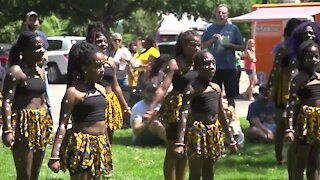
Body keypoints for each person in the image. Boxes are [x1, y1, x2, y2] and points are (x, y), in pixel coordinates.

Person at [48, 41, 112, 179]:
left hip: (99, 144)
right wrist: (55, 155)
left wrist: (107, 147)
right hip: (81, 145)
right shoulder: (74, 92)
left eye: (103, 65)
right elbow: (63, 124)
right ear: (84, 68)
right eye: (97, 66)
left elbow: (103, 122)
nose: (102, 70)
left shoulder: (101, 90)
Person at [148, 30, 200, 180]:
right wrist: (152, 107)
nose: (196, 48)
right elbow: (163, 87)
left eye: (198, 45)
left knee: (185, 150)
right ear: (183, 45)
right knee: (173, 149)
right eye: (192, 45)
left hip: (194, 107)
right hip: (176, 107)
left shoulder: (200, 63)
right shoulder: (175, 63)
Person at [2, 31, 53, 180]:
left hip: (40, 124)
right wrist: (8, 130)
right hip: (23, 124)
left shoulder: (40, 72)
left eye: (43, 47)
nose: (42, 50)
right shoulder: (15, 72)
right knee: (25, 174)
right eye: (37, 47)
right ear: (24, 51)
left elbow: (43, 101)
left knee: (35, 174)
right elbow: (7, 102)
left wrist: (47, 123)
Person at [186, 50, 238, 180]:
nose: (211, 67)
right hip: (197, 133)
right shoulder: (192, 89)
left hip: (213, 132)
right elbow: (184, 113)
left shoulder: (216, 89)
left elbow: (221, 115)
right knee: (196, 172)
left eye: (213, 63)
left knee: (210, 170)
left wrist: (230, 139)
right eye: (206, 64)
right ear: (196, 67)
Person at [86, 22, 131, 143]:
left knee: (107, 141)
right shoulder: (86, 61)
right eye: (99, 41)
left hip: (110, 101)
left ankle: (107, 161)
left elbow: (115, 85)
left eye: (105, 41)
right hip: (94, 101)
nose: (103, 44)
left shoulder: (110, 61)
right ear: (92, 41)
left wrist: (125, 107)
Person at [267, 18, 302, 165]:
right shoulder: (283, 48)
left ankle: (296, 157)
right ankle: (279, 158)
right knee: (282, 123)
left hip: (300, 87)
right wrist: (269, 88)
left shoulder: (305, 48)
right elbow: (275, 71)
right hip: (283, 89)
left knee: (298, 124)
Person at [285, 40, 320, 180]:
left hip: (318, 126)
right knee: (301, 159)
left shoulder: (319, 78)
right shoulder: (298, 80)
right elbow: (291, 105)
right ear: (302, 59)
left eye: (316, 56)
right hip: (305, 125)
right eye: (309, 57)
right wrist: (289, 128)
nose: (313, 59)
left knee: (315, 161)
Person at [201, 3, 244, 108]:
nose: (221, 15)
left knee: (231, 96)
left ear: (227, 15)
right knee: (214, 95)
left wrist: (229, 45)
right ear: (215, 14)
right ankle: (215, 118)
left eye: (223, 13)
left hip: (229, 67)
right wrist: (212, 40)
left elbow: (242, 47)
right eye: (219, 12)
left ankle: (232, 118)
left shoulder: (233, 29)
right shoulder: (209, 28)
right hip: (213, 67)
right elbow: (201, 46)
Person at [25, 11, 52, 121]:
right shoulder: (24, 36)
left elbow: (45, 52)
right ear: (26, 21)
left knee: (46, 98)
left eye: (35, 19)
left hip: (40, 70)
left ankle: (48, 122)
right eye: (31, 19)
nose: (34, 22)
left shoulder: (41, 35)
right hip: (27, 71)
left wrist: (44, 57)